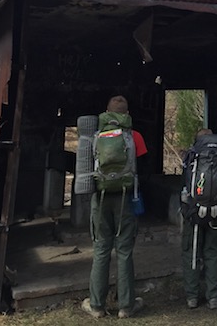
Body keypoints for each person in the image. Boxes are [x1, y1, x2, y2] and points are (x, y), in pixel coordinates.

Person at [82, 95, 148, 319]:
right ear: (127, 114)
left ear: (107, 113)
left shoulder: (96, 136)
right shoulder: (134, 136)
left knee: (101, 250)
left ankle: (97, 306)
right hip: (125, 198)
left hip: (100, 198)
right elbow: (143, 168)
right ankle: (126, 306)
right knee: (124, 251)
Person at [180, 127, 217, 310]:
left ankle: (192, 297)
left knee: (191, 252)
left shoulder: (192, 155)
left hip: (193, 212)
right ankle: (213, 297)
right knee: (212, 253)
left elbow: (185, 180)